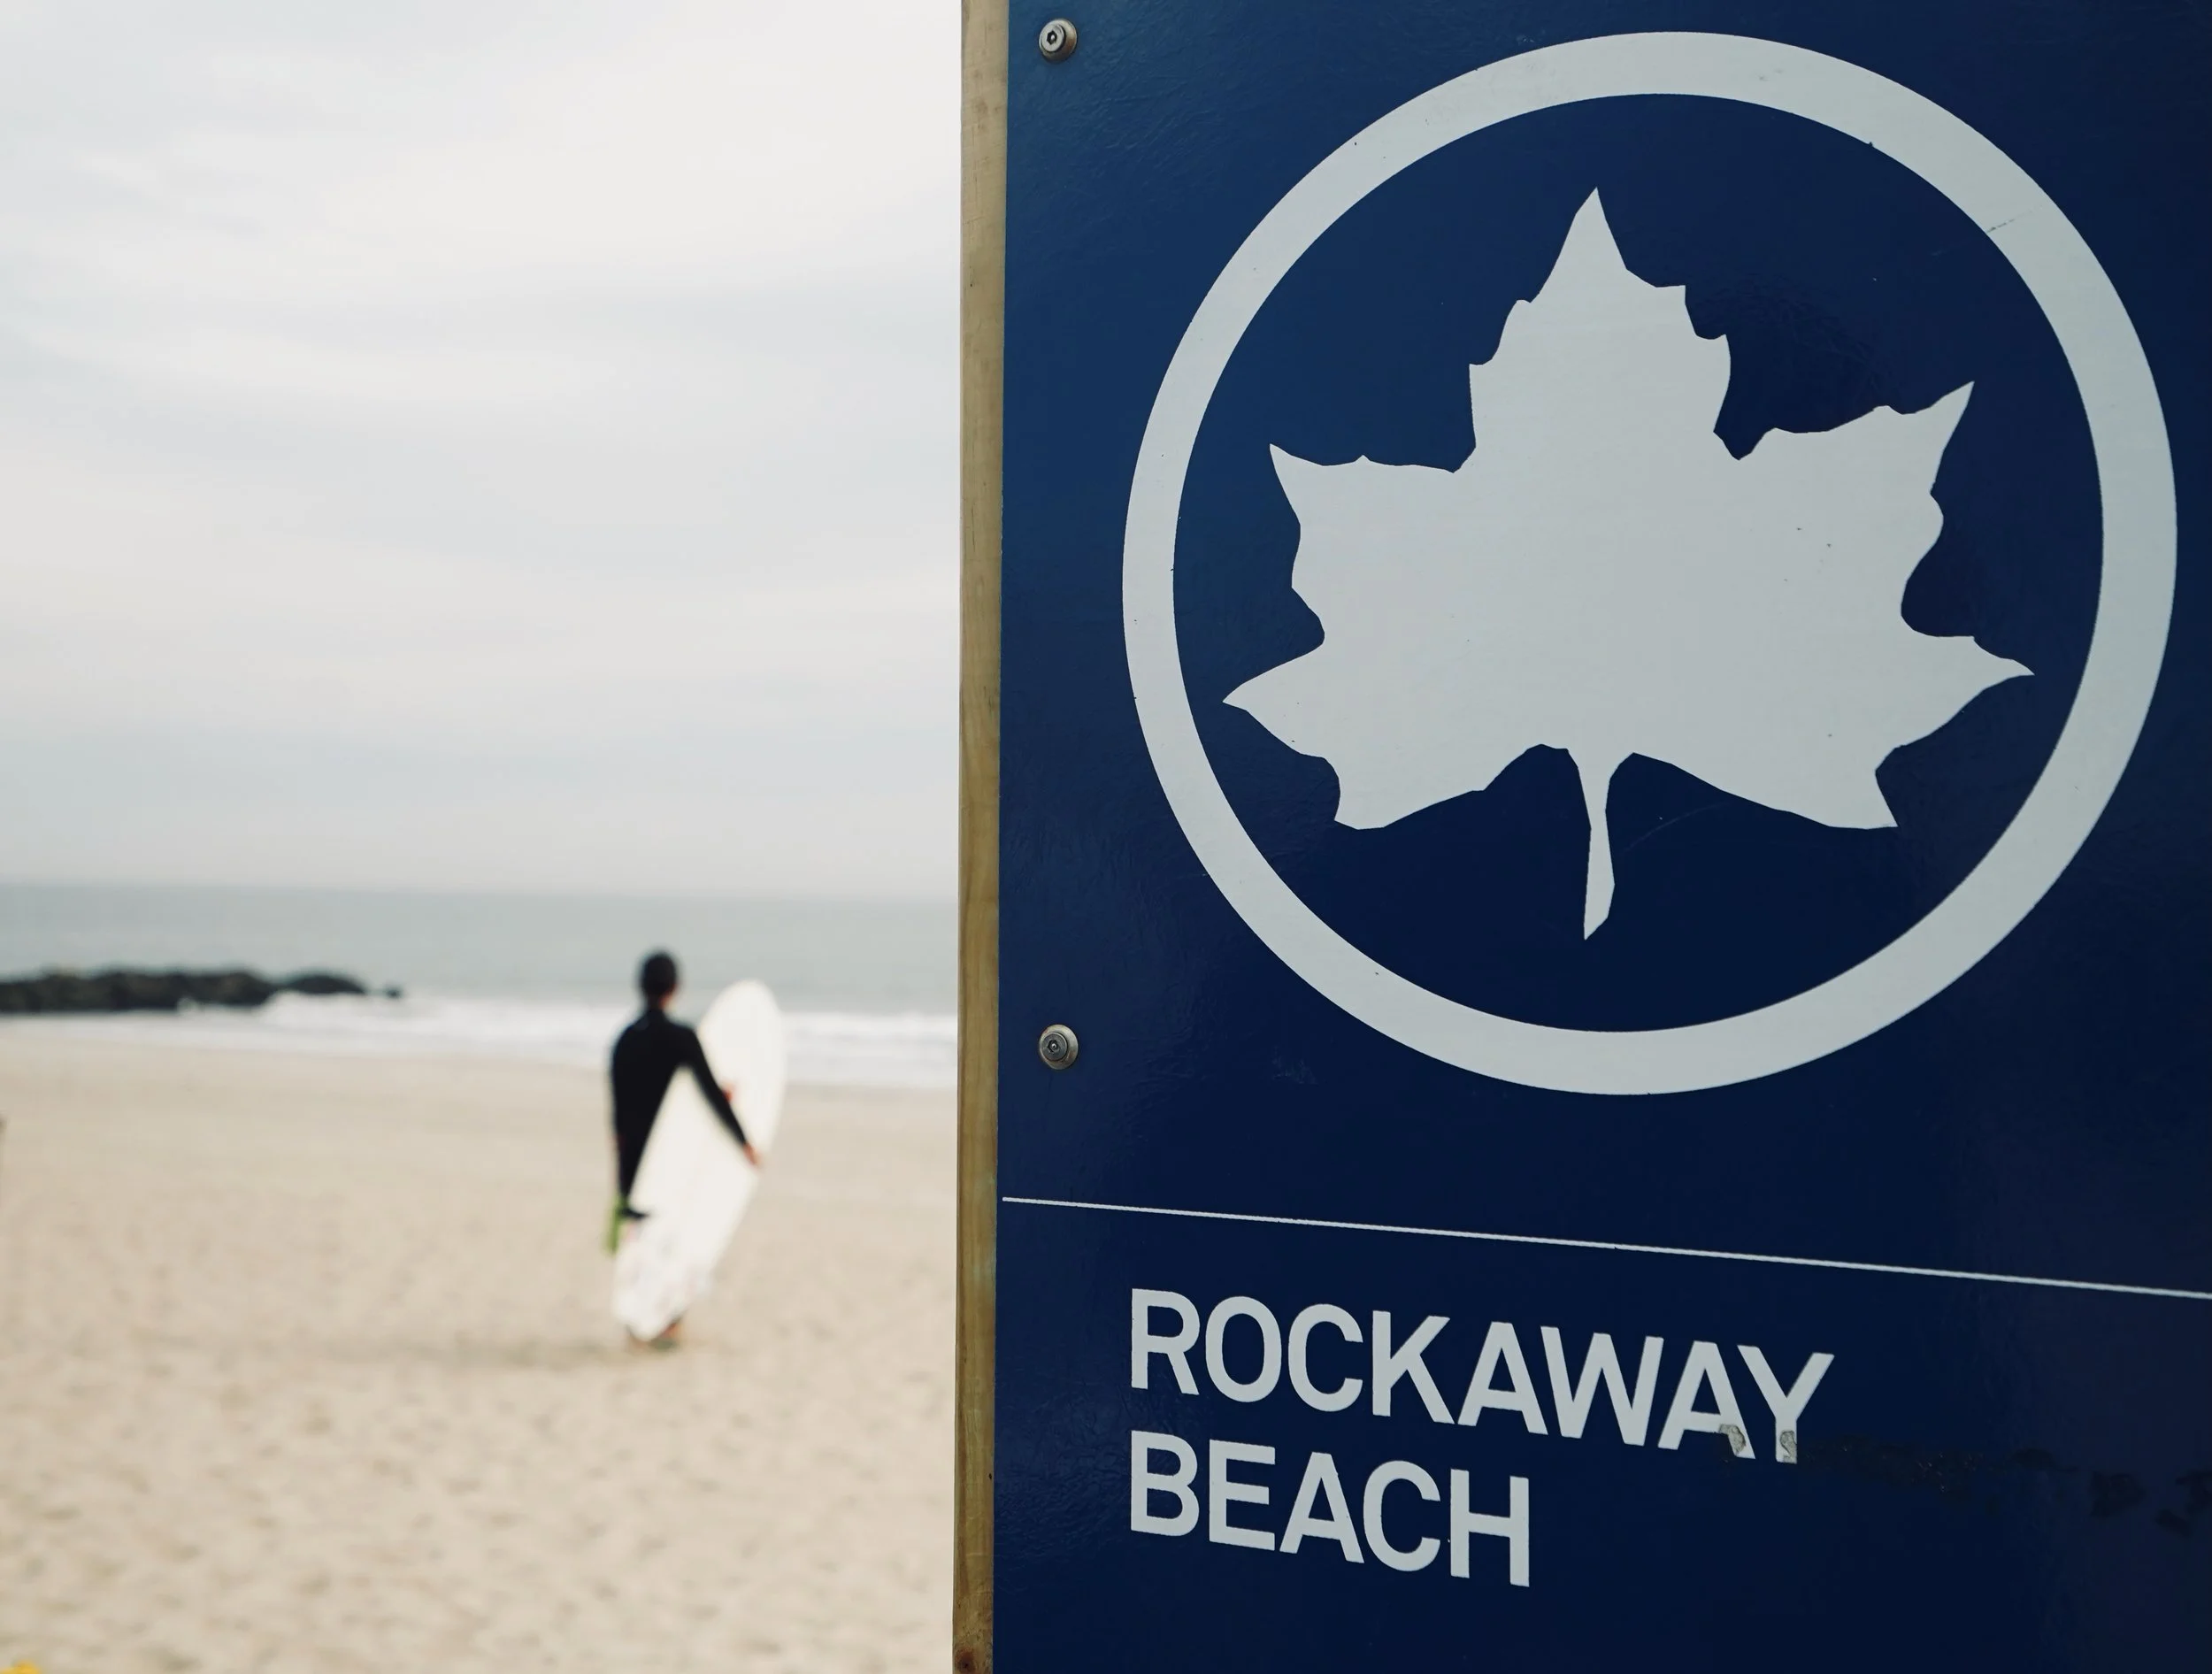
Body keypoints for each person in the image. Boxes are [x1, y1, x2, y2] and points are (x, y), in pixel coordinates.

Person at [607, 950, 762, 1341]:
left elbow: (618, 1118)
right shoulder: (681, 1039)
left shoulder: (624, 1042)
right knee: (677, 1237)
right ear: (675, 988)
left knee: (642, 1238)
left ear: (641, 988)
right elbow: (708, 1096)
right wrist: (744, 1142)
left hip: (633, 1160)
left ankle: (636, 1321)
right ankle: (668, 1320)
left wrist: (621, 1171)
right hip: (671, 1161)